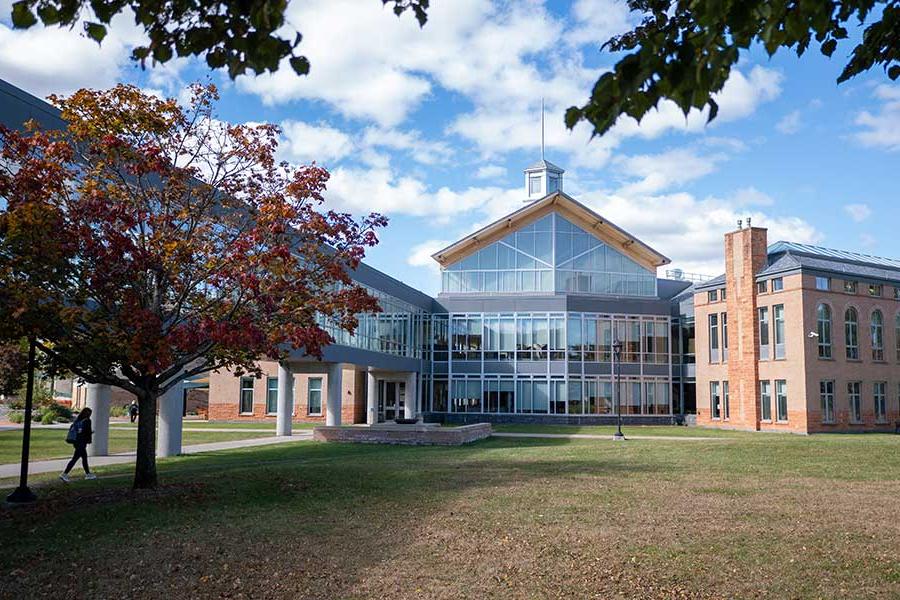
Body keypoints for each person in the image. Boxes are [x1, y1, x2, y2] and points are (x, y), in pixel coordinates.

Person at [60, 407, 96, 482]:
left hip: (76, 442)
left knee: (84, 458)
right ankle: (64, 474)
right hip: (82, 443)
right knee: (75, 458)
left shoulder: (77, 420)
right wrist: (90, 436)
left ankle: (88, 474)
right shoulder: (87, 421)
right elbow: (87, 432)